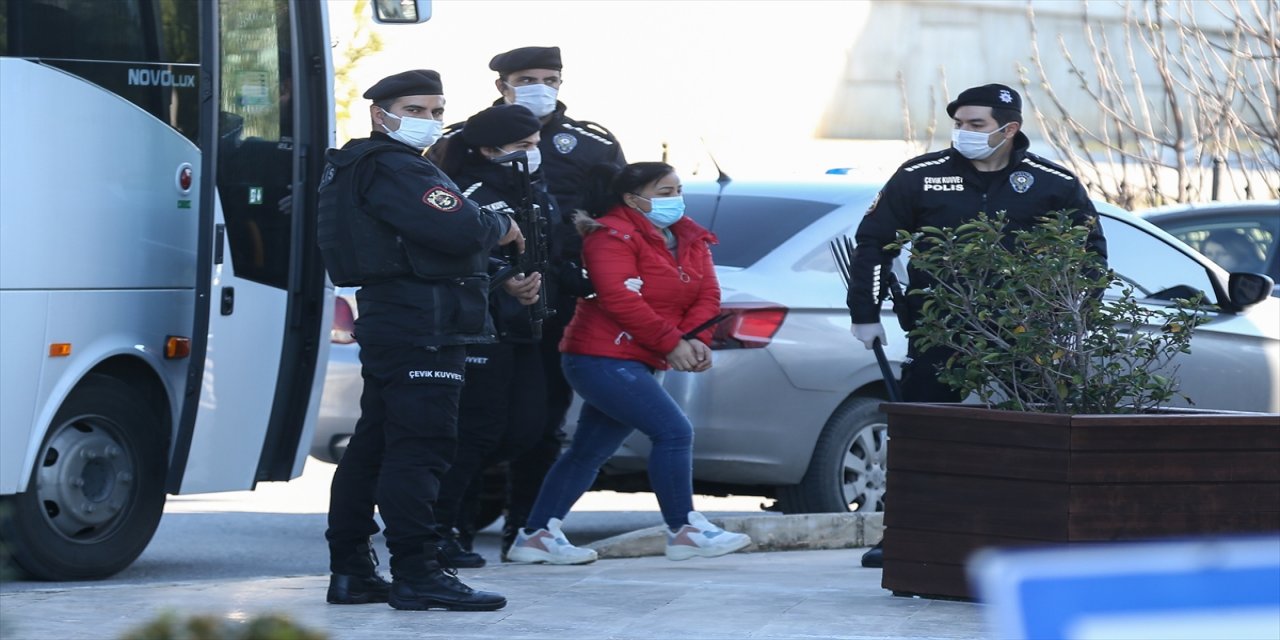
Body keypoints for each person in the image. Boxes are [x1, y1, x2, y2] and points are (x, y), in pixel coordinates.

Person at [844, 83, 1107, 568]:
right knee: (921, 431)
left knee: (1038, 431)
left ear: (1010, 129)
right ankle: (904, 532)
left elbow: (1089, 255)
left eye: (976, 124)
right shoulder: (921, 175)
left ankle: (1035, 533)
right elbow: (874, 244)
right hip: (940, 329)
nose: (963, 132)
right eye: (959, 124)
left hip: (1028, 331)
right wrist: (865, 312)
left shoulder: (1052, 181)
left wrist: (1075, 319)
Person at [318, 69, 524, 611]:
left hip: (401, 319)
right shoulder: (396, 166)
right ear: (380, 114)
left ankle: (353, 571)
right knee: (422, 448)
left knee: (377, 444)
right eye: (416, 110)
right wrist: (496, 225)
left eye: (436, 111)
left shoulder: (366, 165)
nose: (429, 121)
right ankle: (418, 572)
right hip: (423, 324)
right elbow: (456, 228)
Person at [430, 45, 627, 557]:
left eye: (550, 77)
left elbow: (609, 225)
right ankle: (452, 530)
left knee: (539, 425)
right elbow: (440, 225)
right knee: (475, 422)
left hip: (552, 304)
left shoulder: (590, 145)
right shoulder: (461, 143)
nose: (540, 86)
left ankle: (527, 526)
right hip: (484, 306)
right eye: (526, 78)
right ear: (502, 84)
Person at [505, 161, 752, 565]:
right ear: (632, 199)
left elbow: (708, 294)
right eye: (665, 192)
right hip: (598, 357)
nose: (676, 199)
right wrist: (673, 343)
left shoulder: (690, 237)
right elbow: (620, 299)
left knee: (589, 451)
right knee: (673, 432)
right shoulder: (609, 236)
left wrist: (693, 339)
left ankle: (535, 535)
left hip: (639, 357)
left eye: (678, 190)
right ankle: (683, 529)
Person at [430, 103, 558, 568]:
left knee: (527, 429)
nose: (533, 154)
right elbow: (450, 251)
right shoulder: (471, 192)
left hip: (527, 329)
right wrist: (502, 279)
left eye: (535, 145)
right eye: (522, 147)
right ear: (488, 150)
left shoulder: (534, 189)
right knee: (474, 434)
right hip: (482, 330)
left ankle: (464, 522)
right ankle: (442, 531)